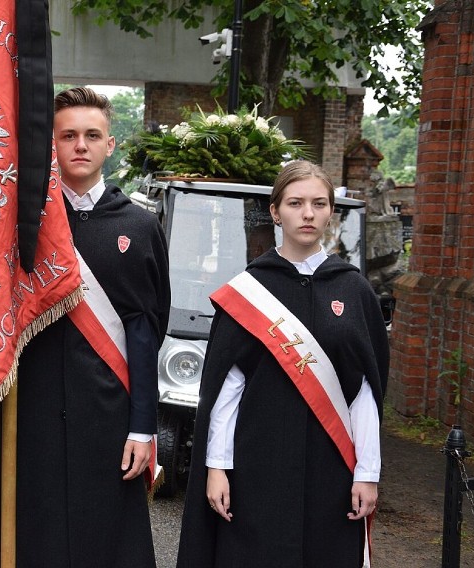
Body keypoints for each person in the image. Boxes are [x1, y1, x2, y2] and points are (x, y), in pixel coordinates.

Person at [0, 87, 170, 567]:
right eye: (67, 135)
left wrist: (142, 426)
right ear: (50, 144)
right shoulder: (15, 224)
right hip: (25, 411)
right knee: (29, 538)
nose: (80, 145)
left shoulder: (140, 224)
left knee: (103, 542)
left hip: (107, 415)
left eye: (93, 135)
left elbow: (145, 331)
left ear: (111, 145)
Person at [177, 160, 389, 568]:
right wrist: (217, 467)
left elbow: (365, 390)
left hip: (333, 465)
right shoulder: (250, 289)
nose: (308, 214)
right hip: (258, 463)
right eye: (295, 203)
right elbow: (227, 389)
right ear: (276, 212)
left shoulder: (354, 289)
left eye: (319, 203)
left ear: (331, 211)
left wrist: (367, 472)